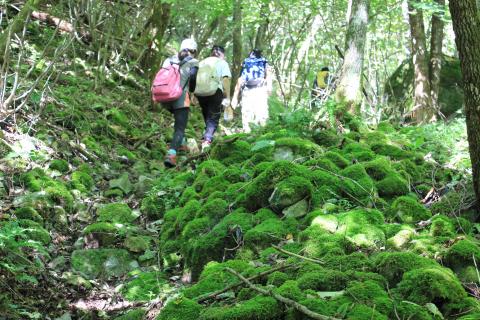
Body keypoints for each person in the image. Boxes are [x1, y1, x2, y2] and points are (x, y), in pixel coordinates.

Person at [161, 38, 199, 168]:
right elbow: (193, 78)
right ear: (193, 51)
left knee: (177, 121)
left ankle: (181, 144)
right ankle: (171, 155)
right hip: (181, 97)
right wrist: (192, 91)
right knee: (180, 128)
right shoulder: (193, 61)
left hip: (165, 96)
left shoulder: (169, 59)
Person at [194, 45, 232, 151]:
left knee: (207, 114)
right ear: (222, 55)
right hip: (215, 91)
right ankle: (207, 141)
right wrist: (228, 96)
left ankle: (207, 134)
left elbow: (193, 77)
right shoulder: (222, 62)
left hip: (200, 92)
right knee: (213, 116)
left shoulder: (202, 62)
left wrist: (192, 93)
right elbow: (225, 79)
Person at [231, 49, 272, 133]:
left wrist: (235, 97)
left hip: (248, 90)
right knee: (262, 115)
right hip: (260, 90)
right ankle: (262, 136)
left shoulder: (247, 62)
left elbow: (240, 80)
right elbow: (268, 74)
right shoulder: (264, 61)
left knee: (247, 116)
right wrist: (269, 87)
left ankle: (248, 135)